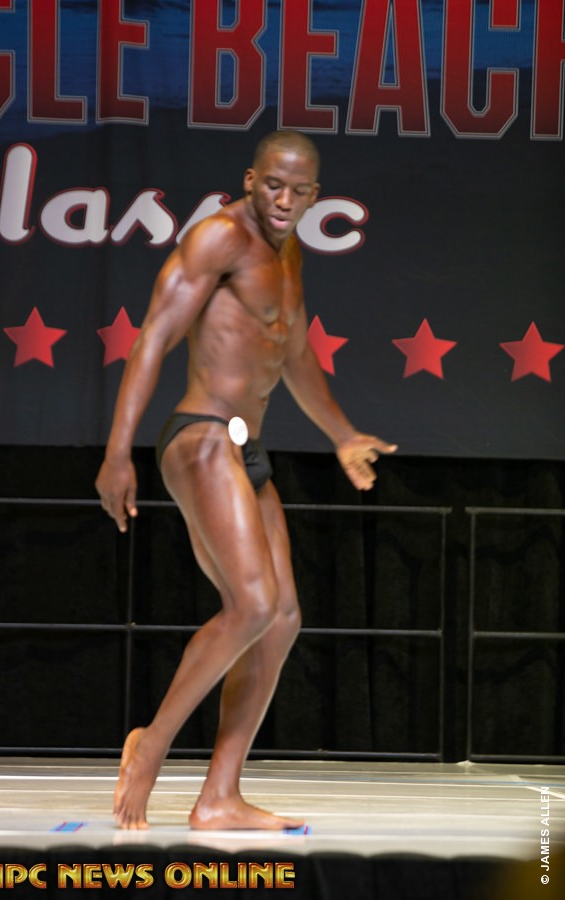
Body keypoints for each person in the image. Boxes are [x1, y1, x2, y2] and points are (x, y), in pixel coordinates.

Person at [95, 130, 397, 830]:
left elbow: (294, 356)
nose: (285, 200)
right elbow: (152, 338)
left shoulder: (289, 255)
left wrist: (342, 435)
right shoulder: (218, 238)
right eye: (273, 185)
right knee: (253, 603)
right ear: (251, 179)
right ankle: (150, 746)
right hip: (199, 435)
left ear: (316, 195)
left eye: (299, 190)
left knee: (282, 617)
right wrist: (116, 452)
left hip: (244, 448)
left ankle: (218, 798)